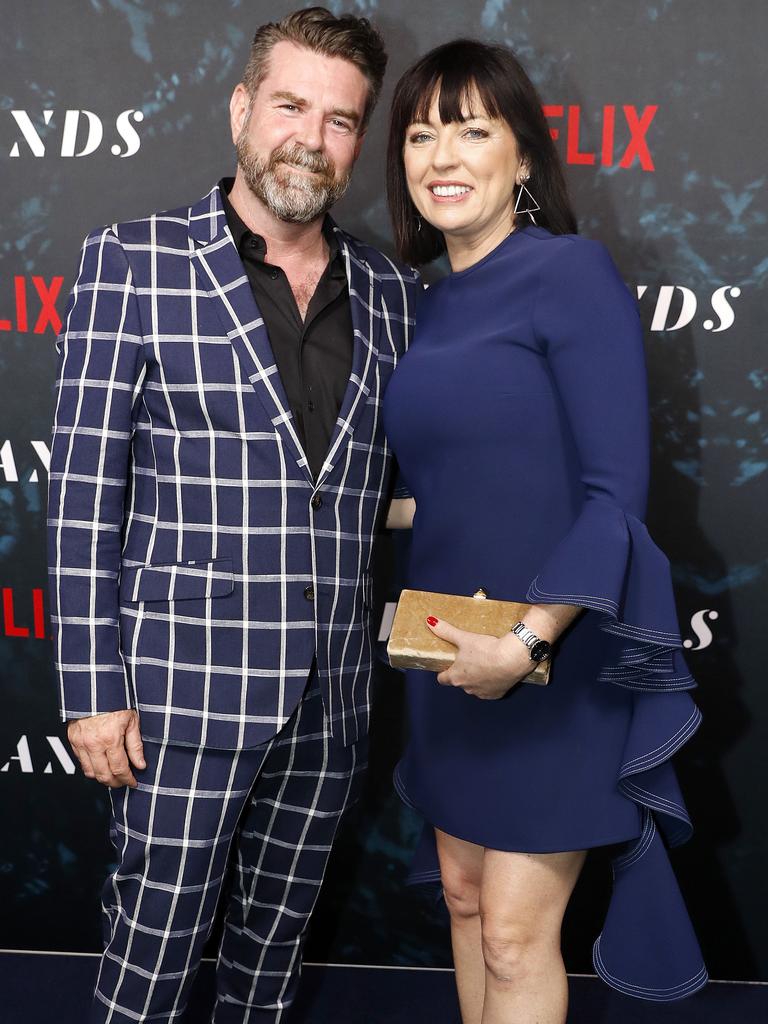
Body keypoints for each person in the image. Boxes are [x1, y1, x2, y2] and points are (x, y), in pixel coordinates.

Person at [47, 8, 420, 1022]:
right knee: (154, 956)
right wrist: (90, 689)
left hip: (333, 702)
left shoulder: (388, 290)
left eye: (341, 119)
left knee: (271, 962)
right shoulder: (134, 261)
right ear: (241, 109)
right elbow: (83, 491)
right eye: (291, 104)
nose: (312, 135)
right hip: (177, 700)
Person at [382, 39, 707, 1024]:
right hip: (447, 652)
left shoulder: (570, 273)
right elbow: (446, 484)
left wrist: (526, 640)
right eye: (422, 131)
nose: (444, 152)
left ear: (523, 159)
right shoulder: (425, 305)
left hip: (549, 657)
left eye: (473, 129)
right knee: (469, 903)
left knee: (520, 935)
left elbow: (614, 495)